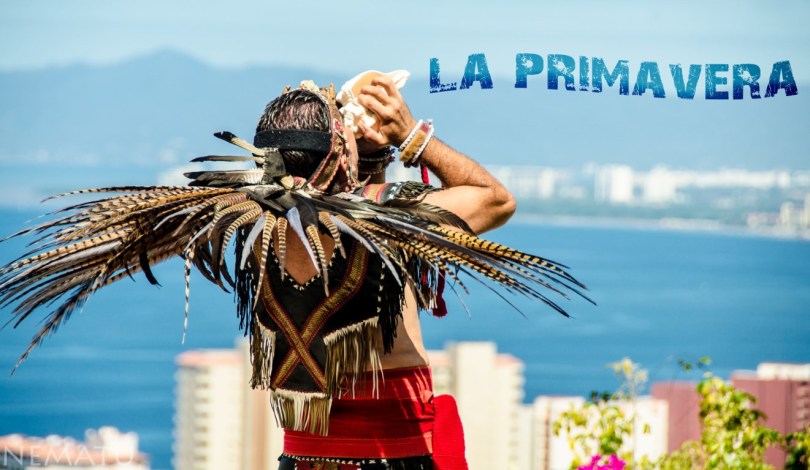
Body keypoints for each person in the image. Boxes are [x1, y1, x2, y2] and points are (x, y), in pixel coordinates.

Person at [252, 76, 515, 469]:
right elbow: (496, 201)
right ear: (341, 156)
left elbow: (339, 197)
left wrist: (365, 153)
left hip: (302, 459)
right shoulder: (390, 220)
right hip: (392, 457)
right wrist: (410, 135)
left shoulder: (247, 220)